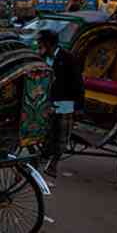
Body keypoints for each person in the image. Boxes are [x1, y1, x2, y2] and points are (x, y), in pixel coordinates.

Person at [37, 29, 84, 178]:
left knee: (61, 136)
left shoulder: (68, 58)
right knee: (46, 132)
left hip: (65, 103)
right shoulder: (43, 57)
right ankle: (44, 156)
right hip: (48, 102)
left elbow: (78, 82)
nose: (38, 44)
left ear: (49, 44)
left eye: (41, 42)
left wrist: (78, 106)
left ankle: (54, 163)